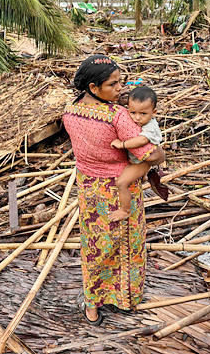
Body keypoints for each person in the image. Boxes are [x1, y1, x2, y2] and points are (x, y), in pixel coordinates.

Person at [63, 55, 165, 325]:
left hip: (88, 189)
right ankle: (125, 298)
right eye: (114, 84)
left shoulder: (69, 113)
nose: (121, 89)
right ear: (94, 88)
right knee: (127, 245)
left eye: (121, 82)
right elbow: (151, 154)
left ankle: (92, 304)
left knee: (94, 246)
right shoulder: (117, 116)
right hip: (120, 190)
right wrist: (159, 154)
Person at [109, 86, 163, 221]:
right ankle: (143, 177)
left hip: (143, 162)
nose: (137, 118)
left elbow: (142, 140)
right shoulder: (135, 119)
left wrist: (122, 145)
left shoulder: (150, 126)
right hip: (137, 160)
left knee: (121, 183)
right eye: (133, 113)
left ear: (153, 112)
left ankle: (125, 210)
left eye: (143, 114)